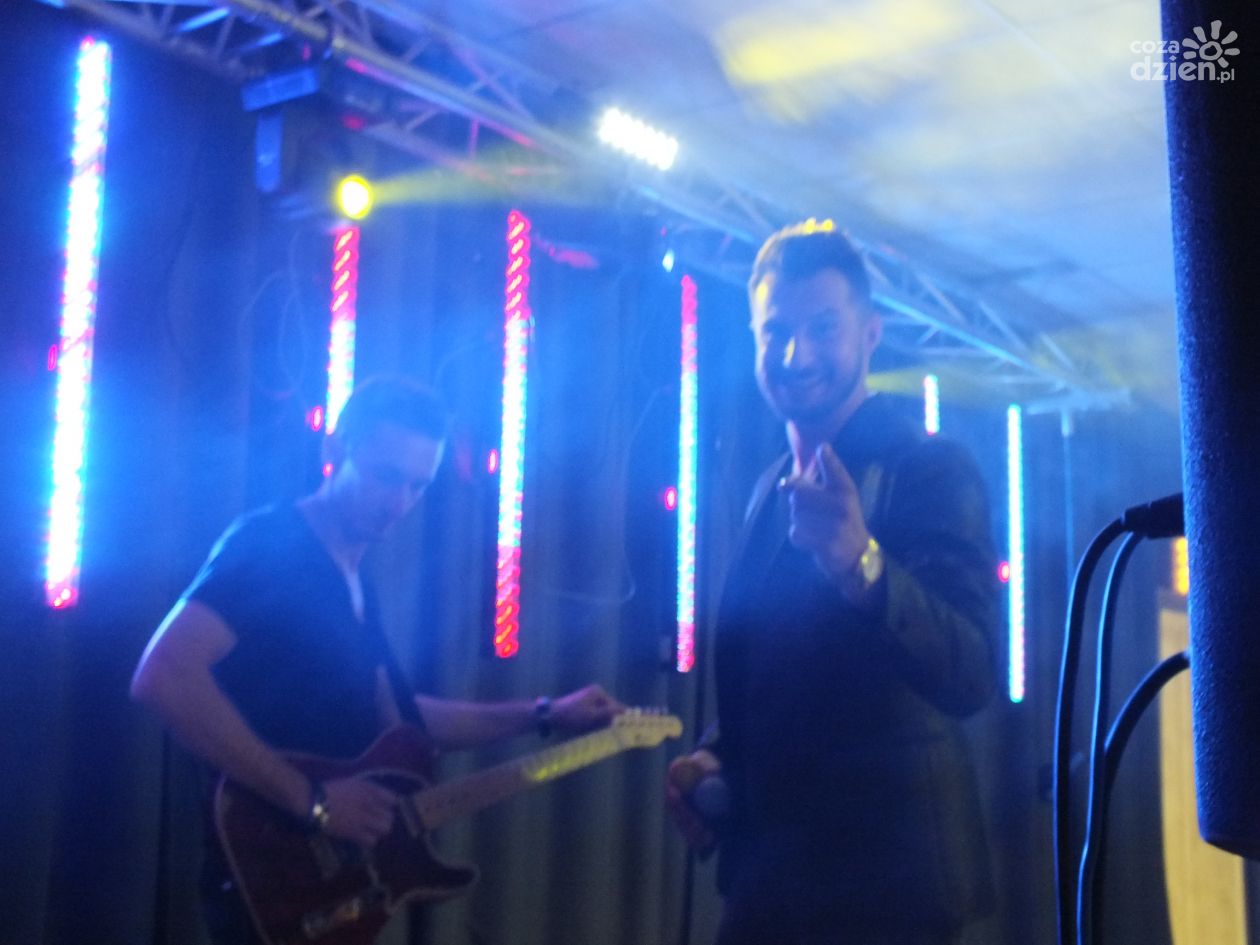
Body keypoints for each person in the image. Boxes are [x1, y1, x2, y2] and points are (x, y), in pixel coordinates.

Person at [132, 376, 623, 944]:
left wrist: (545, 714)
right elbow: (163, 676)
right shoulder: (272, 545)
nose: (399, 504)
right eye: (386, 476)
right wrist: (314, 803)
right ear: (334, 450)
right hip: (265, 872)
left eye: (418, 486)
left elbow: (405, 719)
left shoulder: (353, 572)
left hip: (320, 881)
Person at [667, 221, 998, 945]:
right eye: (775, 331)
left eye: (823, 327)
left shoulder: (928, 469)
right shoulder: (769, 488)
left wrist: (862, 564)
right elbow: (784, 676)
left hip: (892, 905)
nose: (797, 354)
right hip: (773, 891)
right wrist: (719, 753)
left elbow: (972, 671)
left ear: (870, 334)